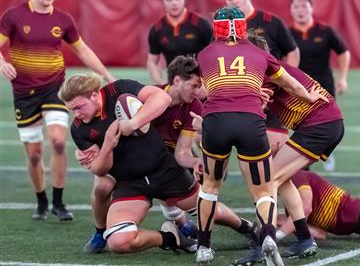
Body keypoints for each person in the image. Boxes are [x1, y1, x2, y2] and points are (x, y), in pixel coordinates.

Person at [71, 65, 257, 255]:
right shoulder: (78, 128)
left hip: (164, 168)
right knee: (118, 240)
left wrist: (133, 123)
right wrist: (108, 145)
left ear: (93, 95)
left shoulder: (121, 90)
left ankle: (248, 228)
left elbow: (161, 100)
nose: (75, 113)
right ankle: (169, 238)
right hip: (129, 181)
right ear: (176, 81)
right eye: (72, 109)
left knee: (210, 210)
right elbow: (100, 169)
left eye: (78, 107)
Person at [195, 6, 327, 266]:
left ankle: (203, 247)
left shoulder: (204, 54)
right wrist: (309, 96)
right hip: (251, 121)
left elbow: (201, 91)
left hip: (216, 122)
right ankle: (267, 234)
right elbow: (290, 83)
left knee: (210, 187)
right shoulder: (259, 54)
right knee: (263, 188)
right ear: (243, 27)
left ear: (216, 28)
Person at [0, 0, 115, 221]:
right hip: (24, 93)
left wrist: (107, 76)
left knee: (59, 141)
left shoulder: (63, 19)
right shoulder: (14, 16)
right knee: (34, 155)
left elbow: (82, 50)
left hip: (55, 89)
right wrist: (2, 63)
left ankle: (59, 202)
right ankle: (41, 201)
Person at [289, 0, 351, 171]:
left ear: (311, 8)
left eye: (304, 6)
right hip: (299, 88)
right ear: (291, 10)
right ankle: (303, 165)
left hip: (324, 86)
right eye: (296, 6)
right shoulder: (287, 33)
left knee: (328, 123)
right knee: (301, 126)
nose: (300, 10)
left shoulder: (325, 31)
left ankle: (326, 152)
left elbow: (343, 52)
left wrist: (343, 78)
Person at [222, 0, 300, 67]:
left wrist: (288, 78)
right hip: (238, 80)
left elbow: (292, 51)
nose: (234, 1)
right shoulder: (222, 26)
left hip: (268, 79)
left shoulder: (271, 22)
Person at [147, 0, 213, 84]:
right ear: (163, 1)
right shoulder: (157, 29)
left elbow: (215, 53)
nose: (174, 3)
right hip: (174, 84)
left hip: (200, 84)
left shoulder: (201, 24)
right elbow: (152, 61)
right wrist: (161, 83)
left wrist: (207, 82)